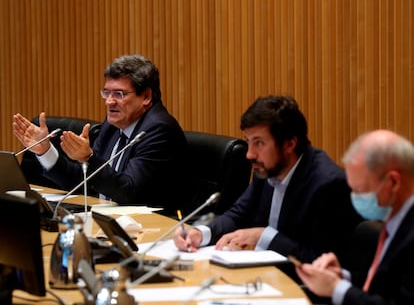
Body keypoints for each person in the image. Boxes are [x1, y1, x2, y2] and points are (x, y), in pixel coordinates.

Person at [174, 95, 362, 267]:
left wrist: (265, 236)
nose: (249, 154)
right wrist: (200, 233)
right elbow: (238, 214)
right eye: (248, 141)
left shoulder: (328, 184)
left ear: (289, 144)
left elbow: (320, 260)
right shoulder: (267, 167)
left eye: (259, 143)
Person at [13, 54, 188, 215]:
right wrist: (45, 151)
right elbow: (82, 183)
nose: (109, 101)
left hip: (153, 228)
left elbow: (127, 192)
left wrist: (89, 157)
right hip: (108, 220)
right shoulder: (113, 125)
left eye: (119, 94)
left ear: (146, 97)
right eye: (107, 92)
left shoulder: (159, 129)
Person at [294, 129, 414, 304]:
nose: (355, 198)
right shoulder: (396, 218)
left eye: (360, 190)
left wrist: (337, 289)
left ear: (393, 182)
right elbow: (381, 284)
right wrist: (340, 276)